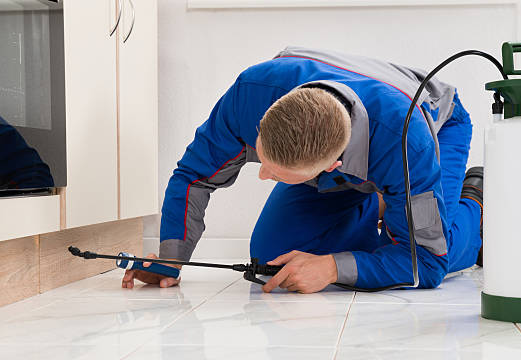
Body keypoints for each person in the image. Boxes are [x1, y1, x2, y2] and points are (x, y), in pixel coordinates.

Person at [121, 47, 484, 294]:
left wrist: (332, 268)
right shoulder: (251, 95)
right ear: (265, 118)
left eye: (277, 174)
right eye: (262, 159)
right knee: (271, 257)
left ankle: (477, 202)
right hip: (363, 147)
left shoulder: (408, 146)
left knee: (438, 249)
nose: (263, 175)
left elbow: (425, 264)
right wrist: (171, 258)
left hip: (437, 125)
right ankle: (388, 206)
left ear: (331, 168)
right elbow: (192, 177)